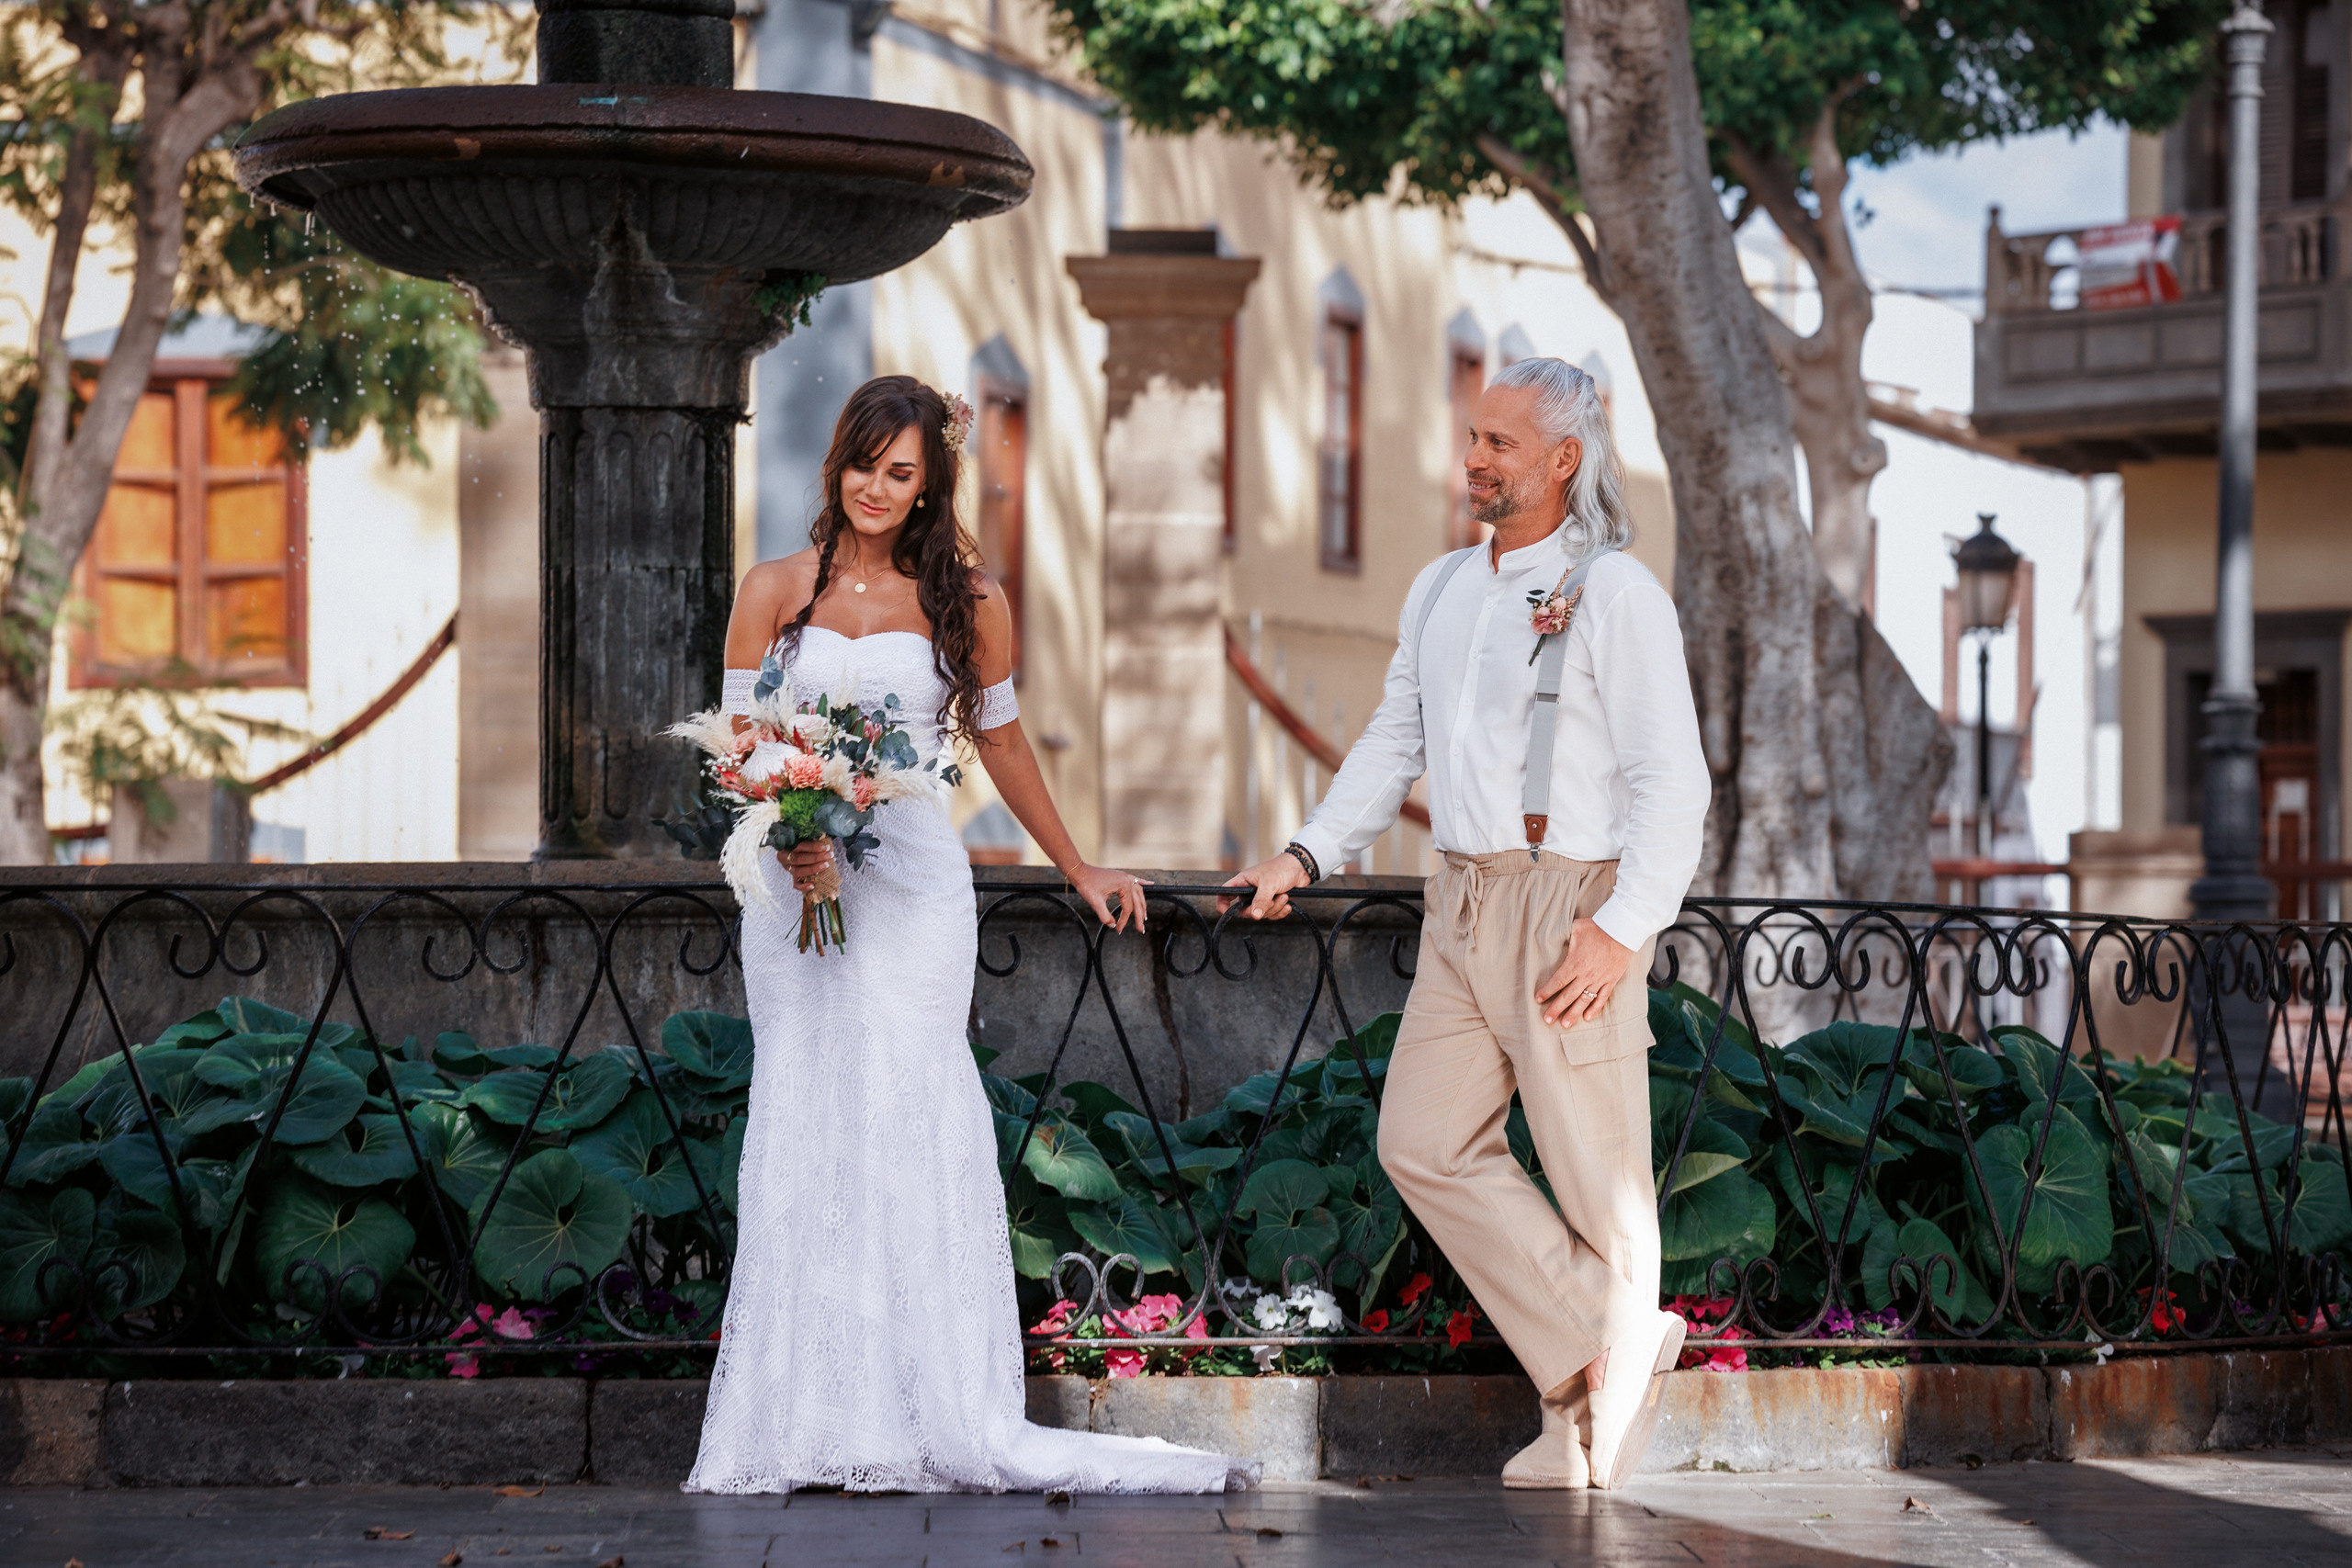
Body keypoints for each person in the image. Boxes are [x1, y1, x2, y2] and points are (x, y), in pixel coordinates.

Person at [685, 375, 1257, 1495]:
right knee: (805, 1121)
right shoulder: (770, 591)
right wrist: (790, 828)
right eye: (863, 464)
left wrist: (1077, 862)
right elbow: (735, 749)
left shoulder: (969, 599)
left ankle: (925, 1408)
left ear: (932, 482)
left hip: (911, 892)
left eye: (903, 474)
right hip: (790, 895)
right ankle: (802, 1419)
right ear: (835, 460)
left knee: (907, 1118)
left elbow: (999, 745)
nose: (876, 490)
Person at [1222, 356, 1710, 1491]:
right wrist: (1305, 853)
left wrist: (1622, 927)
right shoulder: (1443, 587)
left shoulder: (1619, 595)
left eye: (1498, 441)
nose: (1473, 457)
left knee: (1598, 1177)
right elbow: (1394, 740)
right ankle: (1606, 1335)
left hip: (1565, 900)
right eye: (1473, 436)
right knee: (1424, 1141)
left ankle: (1575, 1414)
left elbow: (1671, 785)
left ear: (1562, 460)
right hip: (1461, 897)